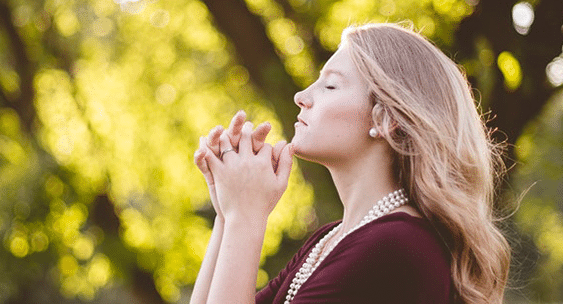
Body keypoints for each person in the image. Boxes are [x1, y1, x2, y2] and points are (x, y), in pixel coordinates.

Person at [190, 23, 510, 304]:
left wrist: (246, 214)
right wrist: (227, 212)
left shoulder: (394, 248)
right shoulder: (331, 240)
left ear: (388, 119)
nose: (301, 95)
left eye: (330, 85)